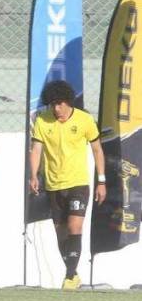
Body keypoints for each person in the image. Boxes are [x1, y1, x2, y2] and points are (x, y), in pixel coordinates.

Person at [29, 79, 105, 290]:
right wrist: (33, 175)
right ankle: (74, 273)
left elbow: (97, 149)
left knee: (74, 226)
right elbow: (36, 150)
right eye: (53, 104)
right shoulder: (42, 121)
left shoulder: (84, 120)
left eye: (61, 103)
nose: (57, 108)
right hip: (53, 184)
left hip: (78, 183)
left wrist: (101, 180)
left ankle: (69, 276)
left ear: (69, 102)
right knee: (61, 233)